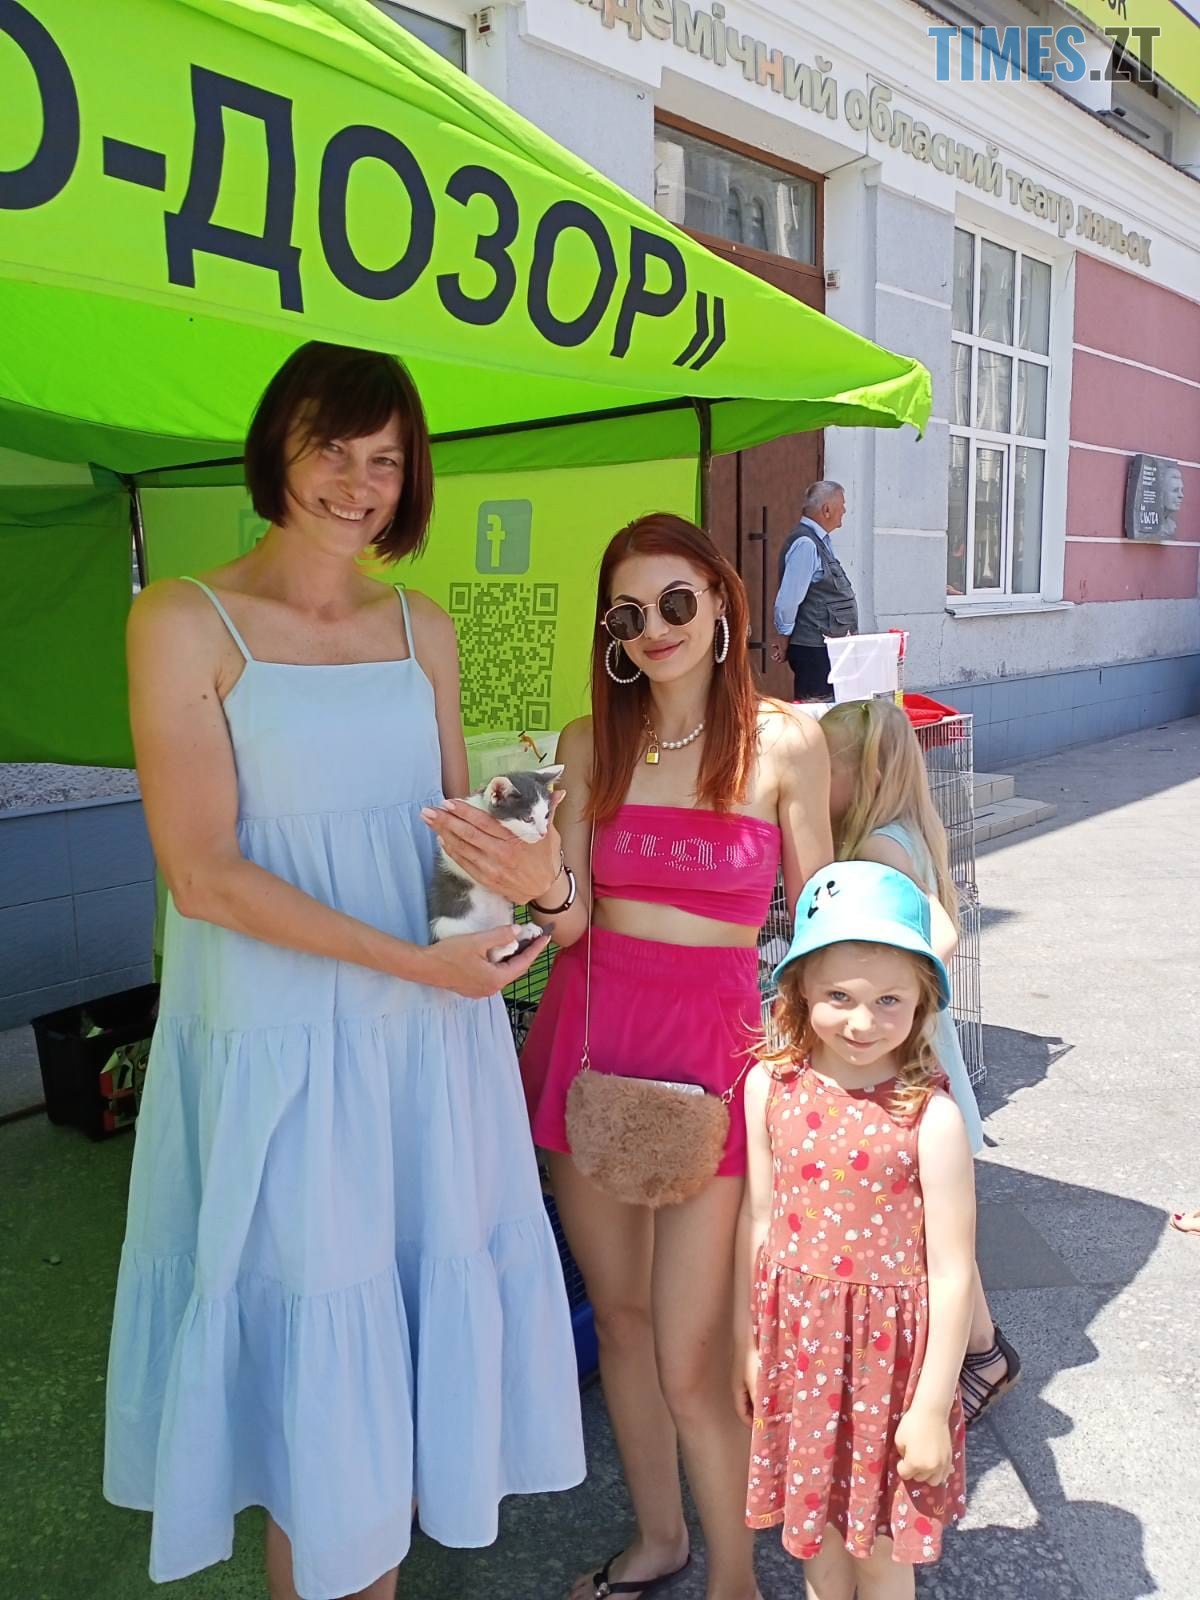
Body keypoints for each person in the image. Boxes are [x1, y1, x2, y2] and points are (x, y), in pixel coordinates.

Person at [104, 341, 585, 1600]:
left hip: (428, 1044)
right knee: (319, 1387)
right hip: (283, 1045)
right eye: (331, 446)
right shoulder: (181, 620)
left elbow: (451, 850)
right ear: (276, 444)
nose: (357, 482)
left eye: (385, 459)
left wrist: (520, 887)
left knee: (401, 1377)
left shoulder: (423, 626)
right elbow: (203, 874)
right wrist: (416, 964)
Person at [465, 512, 831, 1600]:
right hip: (591, 1045)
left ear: (720, 601)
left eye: (677, 601)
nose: (655, 628)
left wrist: (847, 1062)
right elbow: (570, 919)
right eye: (628, 614)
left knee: (692, 1356)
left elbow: (819, 923)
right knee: (620, 1324)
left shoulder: (785, 742)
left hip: (716, 1060)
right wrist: (534, 881)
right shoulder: (587, 742)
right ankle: (661, 1539)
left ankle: (734, 1579)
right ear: (612, 634)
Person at [735, 860, 974, 1599]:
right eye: (839, 996)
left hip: (889, 1368)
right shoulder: (767, 1086)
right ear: (801, 986)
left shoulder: (930, 1117)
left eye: (888, 1000)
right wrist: (750, 1344)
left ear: (923, 1000)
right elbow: (759, 1217)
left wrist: (932, 1405)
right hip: (802, 1351)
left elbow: (954, 1273)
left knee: (879, 1553)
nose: (862, 1022)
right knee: (817, 1545)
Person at [818, 698, 1020, 1427]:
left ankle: (982, 1355)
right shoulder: (906, 829)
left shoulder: (876, 849)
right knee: (941, 1220)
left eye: (823, 769)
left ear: (860, 774)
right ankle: (981, 1352)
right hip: (922, 1040)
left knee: (933, 1225)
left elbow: (937, 936)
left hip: (906, 1055)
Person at [770, 480, 859, 703]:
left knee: (830, 709)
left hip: (825, 646)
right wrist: (784, 636)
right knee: (816, 711)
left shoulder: (819, 540)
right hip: (814, 649)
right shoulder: (806, 543)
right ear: (826, 509)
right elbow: (788, 600)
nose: (844, 510)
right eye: (842, 504)